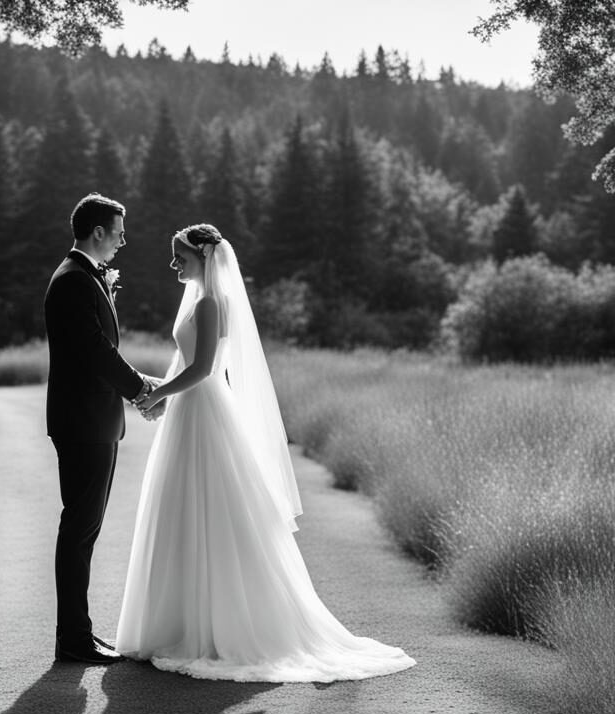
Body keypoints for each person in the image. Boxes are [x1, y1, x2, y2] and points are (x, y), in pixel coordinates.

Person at [115, 224, 416, 682]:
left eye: (181, 257)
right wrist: (161, 396)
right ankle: (178, 622)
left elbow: (203, 369)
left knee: (212, 510)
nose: (174, 264)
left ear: (204, 257)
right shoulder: (196, 299)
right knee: (182, 508)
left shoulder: (212, 302)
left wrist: (158, 395)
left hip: (205, 411)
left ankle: (220, 626)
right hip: (188, 411)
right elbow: (183, 362)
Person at [44, 193, 155, 665]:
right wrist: (140, 388)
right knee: (79, 530)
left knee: (83, 531)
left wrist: (138, 385)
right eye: (119, 233)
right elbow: (95, 351)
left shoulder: (85, 276)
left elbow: (100, 350)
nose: (122, 242)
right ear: (98, 233)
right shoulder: (74, 279)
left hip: (93, 421)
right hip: (84, 423)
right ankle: (74, 639)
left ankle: (78, 634)